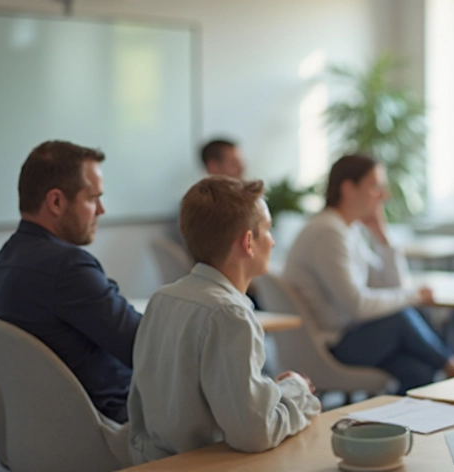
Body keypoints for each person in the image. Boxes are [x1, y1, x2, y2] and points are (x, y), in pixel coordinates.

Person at [128, 176, 320, 463]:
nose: (273, 239)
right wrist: (297, 392)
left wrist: (275, 392)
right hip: (207, 463)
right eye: (267, 229)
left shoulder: (162, 298)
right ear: (248, 242)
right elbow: (254, 434)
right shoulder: (231, 315)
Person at [284, 154, 454, 393]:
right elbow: (358, 306)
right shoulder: (328, 232)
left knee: (419, 371)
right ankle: (450, 363)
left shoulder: (348, 229)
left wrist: (381, 236)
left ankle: (410, 422)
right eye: (375, 187)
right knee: (401, 316)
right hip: (333, 346)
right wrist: (413, 296)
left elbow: (393, 285)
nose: (384, 196)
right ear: (349, 189)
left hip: (352, 336)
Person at [0, 141, 141, 423]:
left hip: (48, 431)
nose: (101, 210)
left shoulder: (4, 260)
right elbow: (142, 346)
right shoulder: (69, 267)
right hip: (110, 424)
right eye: (93, 198)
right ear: (56, 202)